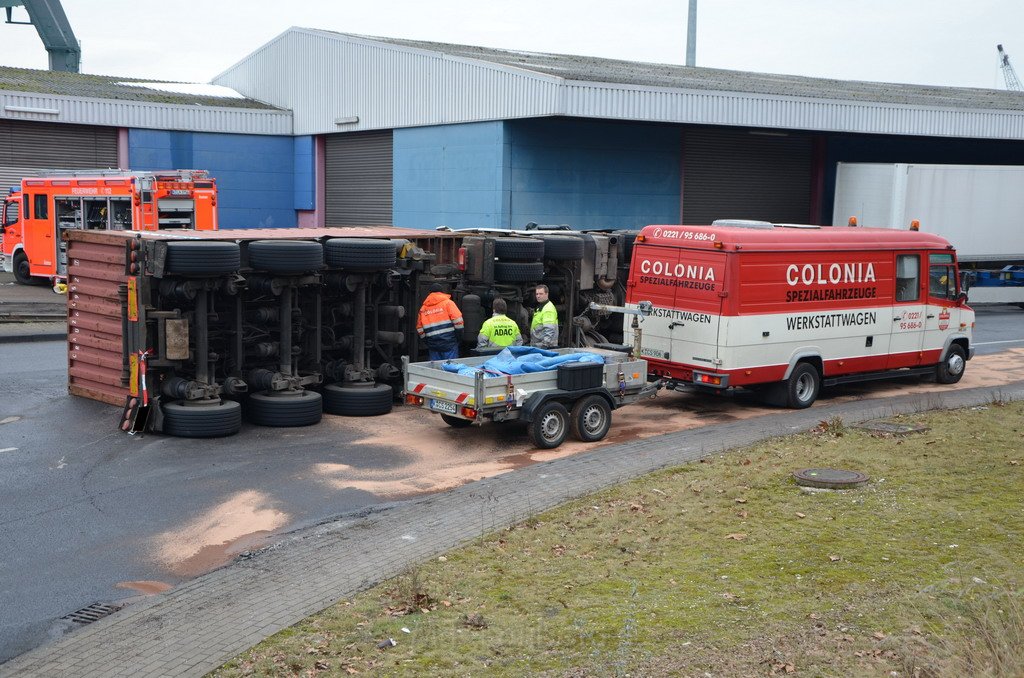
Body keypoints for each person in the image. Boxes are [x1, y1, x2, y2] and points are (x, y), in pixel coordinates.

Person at [416, 283, 464, 361]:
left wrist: (428, 342)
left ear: (430, 293)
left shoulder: (423, 308)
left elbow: (419, 328)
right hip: (449, 344)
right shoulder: (448, 303)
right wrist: (458, 338)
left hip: (433, 346)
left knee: (435, 370)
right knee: (450, 369)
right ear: (442, 292)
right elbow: (458, 322)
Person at [530, 284, 558, 348]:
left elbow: (549, 329)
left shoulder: (548, 309)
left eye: (541, 294)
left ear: (546, 294)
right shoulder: (540, 307)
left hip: (546, 347)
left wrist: (545, 345)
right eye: (537, 294)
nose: (538, 296)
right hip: (539, 345)